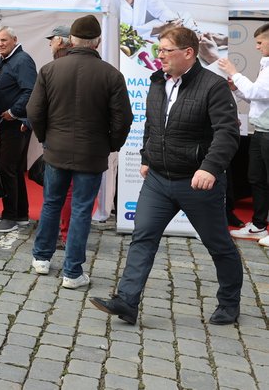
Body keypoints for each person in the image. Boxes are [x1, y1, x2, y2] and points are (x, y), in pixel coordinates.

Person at [91, 27, 242, 326]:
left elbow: (227, 133)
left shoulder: (213, 86)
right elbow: (153, 124)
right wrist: (147, 157)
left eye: (165, 50)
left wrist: (210, 167)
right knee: (143, 237)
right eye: (158, 50)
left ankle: (229, 302)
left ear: (188, 52)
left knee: (218, 244)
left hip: (196, 183)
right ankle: (127, 301)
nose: (159, 56)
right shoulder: (157, 82)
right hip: (159, 180)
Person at [28, 16, 133, 289]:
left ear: (71, 40)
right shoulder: (111, 74)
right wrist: (111, 145)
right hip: (92, 151)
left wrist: (45, 137)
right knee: (81, 210)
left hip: (57, 148)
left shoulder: (50, 70)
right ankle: (72, 272)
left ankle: (41, 258)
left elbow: (34, 112)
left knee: (52, 203)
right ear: (97, 42)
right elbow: (123, 119)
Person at [219, 22, 269, 246]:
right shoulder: (265, 64)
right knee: (256, 178)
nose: (257, 47)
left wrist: (234, 73)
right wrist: (236, 87)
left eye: (260, 42)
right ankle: (258, 225)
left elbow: (256, 91)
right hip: (260, 131)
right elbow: (256, 97)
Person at [0, 25, 37, 233]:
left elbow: (31, 90)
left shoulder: (22, 60)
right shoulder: (7, 60)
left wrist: (14, 111)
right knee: (15, 169)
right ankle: (20, 214)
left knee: (7, 168)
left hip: (15, 124)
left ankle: (10, 216)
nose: (0, 44)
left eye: (4, 40)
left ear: (14, 39)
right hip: (8, 124)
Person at [46, 24, 73, 245]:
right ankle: (66, 234)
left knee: (57, 191)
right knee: (71, 192)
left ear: (63, 41)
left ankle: (59, 234)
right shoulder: (97, 67)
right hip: (83, 140)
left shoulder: (52, 68)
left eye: (53, 39)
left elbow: (38, 107)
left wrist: (42, 131)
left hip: (56, 137)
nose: (50, 43)